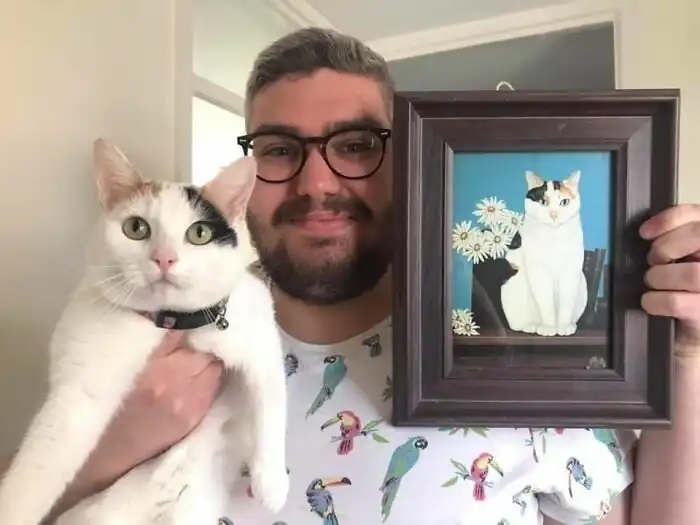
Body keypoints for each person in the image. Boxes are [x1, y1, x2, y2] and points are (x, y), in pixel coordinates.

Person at [16, 27, 700, 525]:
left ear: (407, 160)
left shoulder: (504, 356)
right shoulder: (160, 354)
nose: (317, 183)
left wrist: (690, 352)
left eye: (354, 145)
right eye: (279, 149)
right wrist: (114, 448)